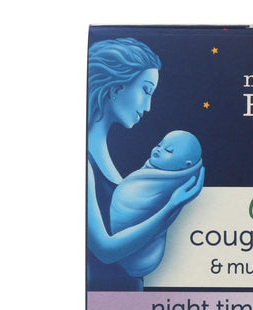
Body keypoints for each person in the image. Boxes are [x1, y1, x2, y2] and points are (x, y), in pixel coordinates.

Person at [87, 38, 204, 291]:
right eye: (146, 90)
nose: (148, 106)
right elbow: (105, 251)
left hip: (126, 299)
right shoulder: (85, 164)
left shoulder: (107, 159)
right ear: (116, 88)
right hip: (105, 300)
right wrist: (170, 209)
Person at [110, 131, 203, 277]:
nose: (159, 149)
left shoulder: (171, 187)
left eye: (168, 150)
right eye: (159, 145)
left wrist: (172, 205)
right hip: (116, 244)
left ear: (185, 165)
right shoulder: (149, 172)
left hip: (142, 256)